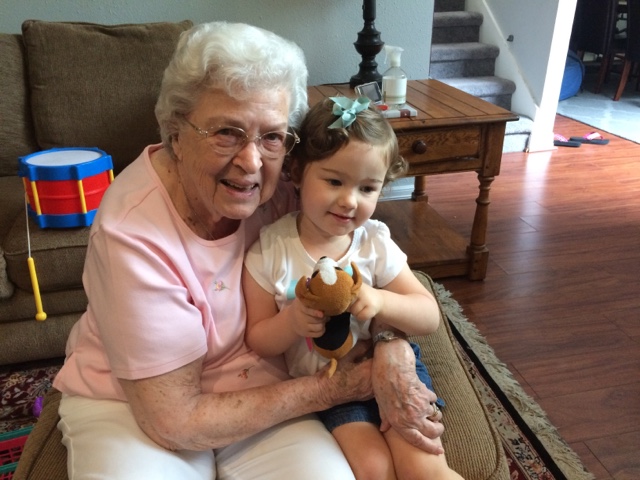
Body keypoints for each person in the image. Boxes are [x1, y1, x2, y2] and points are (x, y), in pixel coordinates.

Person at [51, 22, 444, 480]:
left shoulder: (293, 188)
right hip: (136, 404)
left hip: (268, 383)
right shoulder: (131, 233)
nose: (252, 161)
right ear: (176, 132)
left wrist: (391, 346)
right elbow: (174, 421)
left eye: (271, 136)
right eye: (227, 132)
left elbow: (368, 269)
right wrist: (340, 388)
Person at [243, 96, 464, 480]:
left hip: (393, 372)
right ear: (298, 172)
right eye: (334, 181)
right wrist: (291, 322)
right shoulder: (271, 249)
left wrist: (379, 300)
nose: (349, 201)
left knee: (425, 468)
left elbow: (428, 315)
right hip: (331, 387)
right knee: (373, 469)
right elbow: (258, 339)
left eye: (367, 188)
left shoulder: (373, 242)